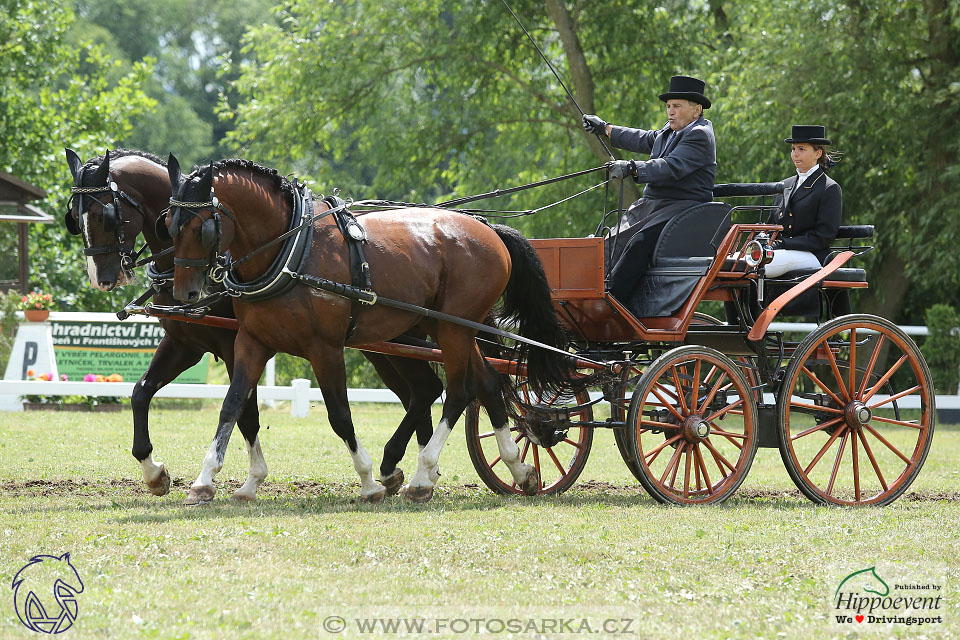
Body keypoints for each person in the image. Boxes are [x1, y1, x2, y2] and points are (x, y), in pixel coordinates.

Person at [582, 75, 716, 303]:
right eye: (668, 106)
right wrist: (605, 129)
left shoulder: (699, 135)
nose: (670, 112)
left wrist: (633, 167)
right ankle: (589, 291)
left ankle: (614, 301)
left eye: (677, 106)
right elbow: (646, 139)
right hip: (654, 206)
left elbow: (672, 166)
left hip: (681, 209)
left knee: (638, 242)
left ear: (697, 110)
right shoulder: (672, 130)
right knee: (607, 240)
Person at [765, 124, 842, 277]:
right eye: (793, 149)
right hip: (781, 251)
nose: (795, 155)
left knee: (762, 264)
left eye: (802, 149)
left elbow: (823, 237)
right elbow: (771, 225)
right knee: (735, 263)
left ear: (818, 153)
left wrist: (783, 244)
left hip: (814, 255)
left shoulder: (829, 188)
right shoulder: (784, 185)